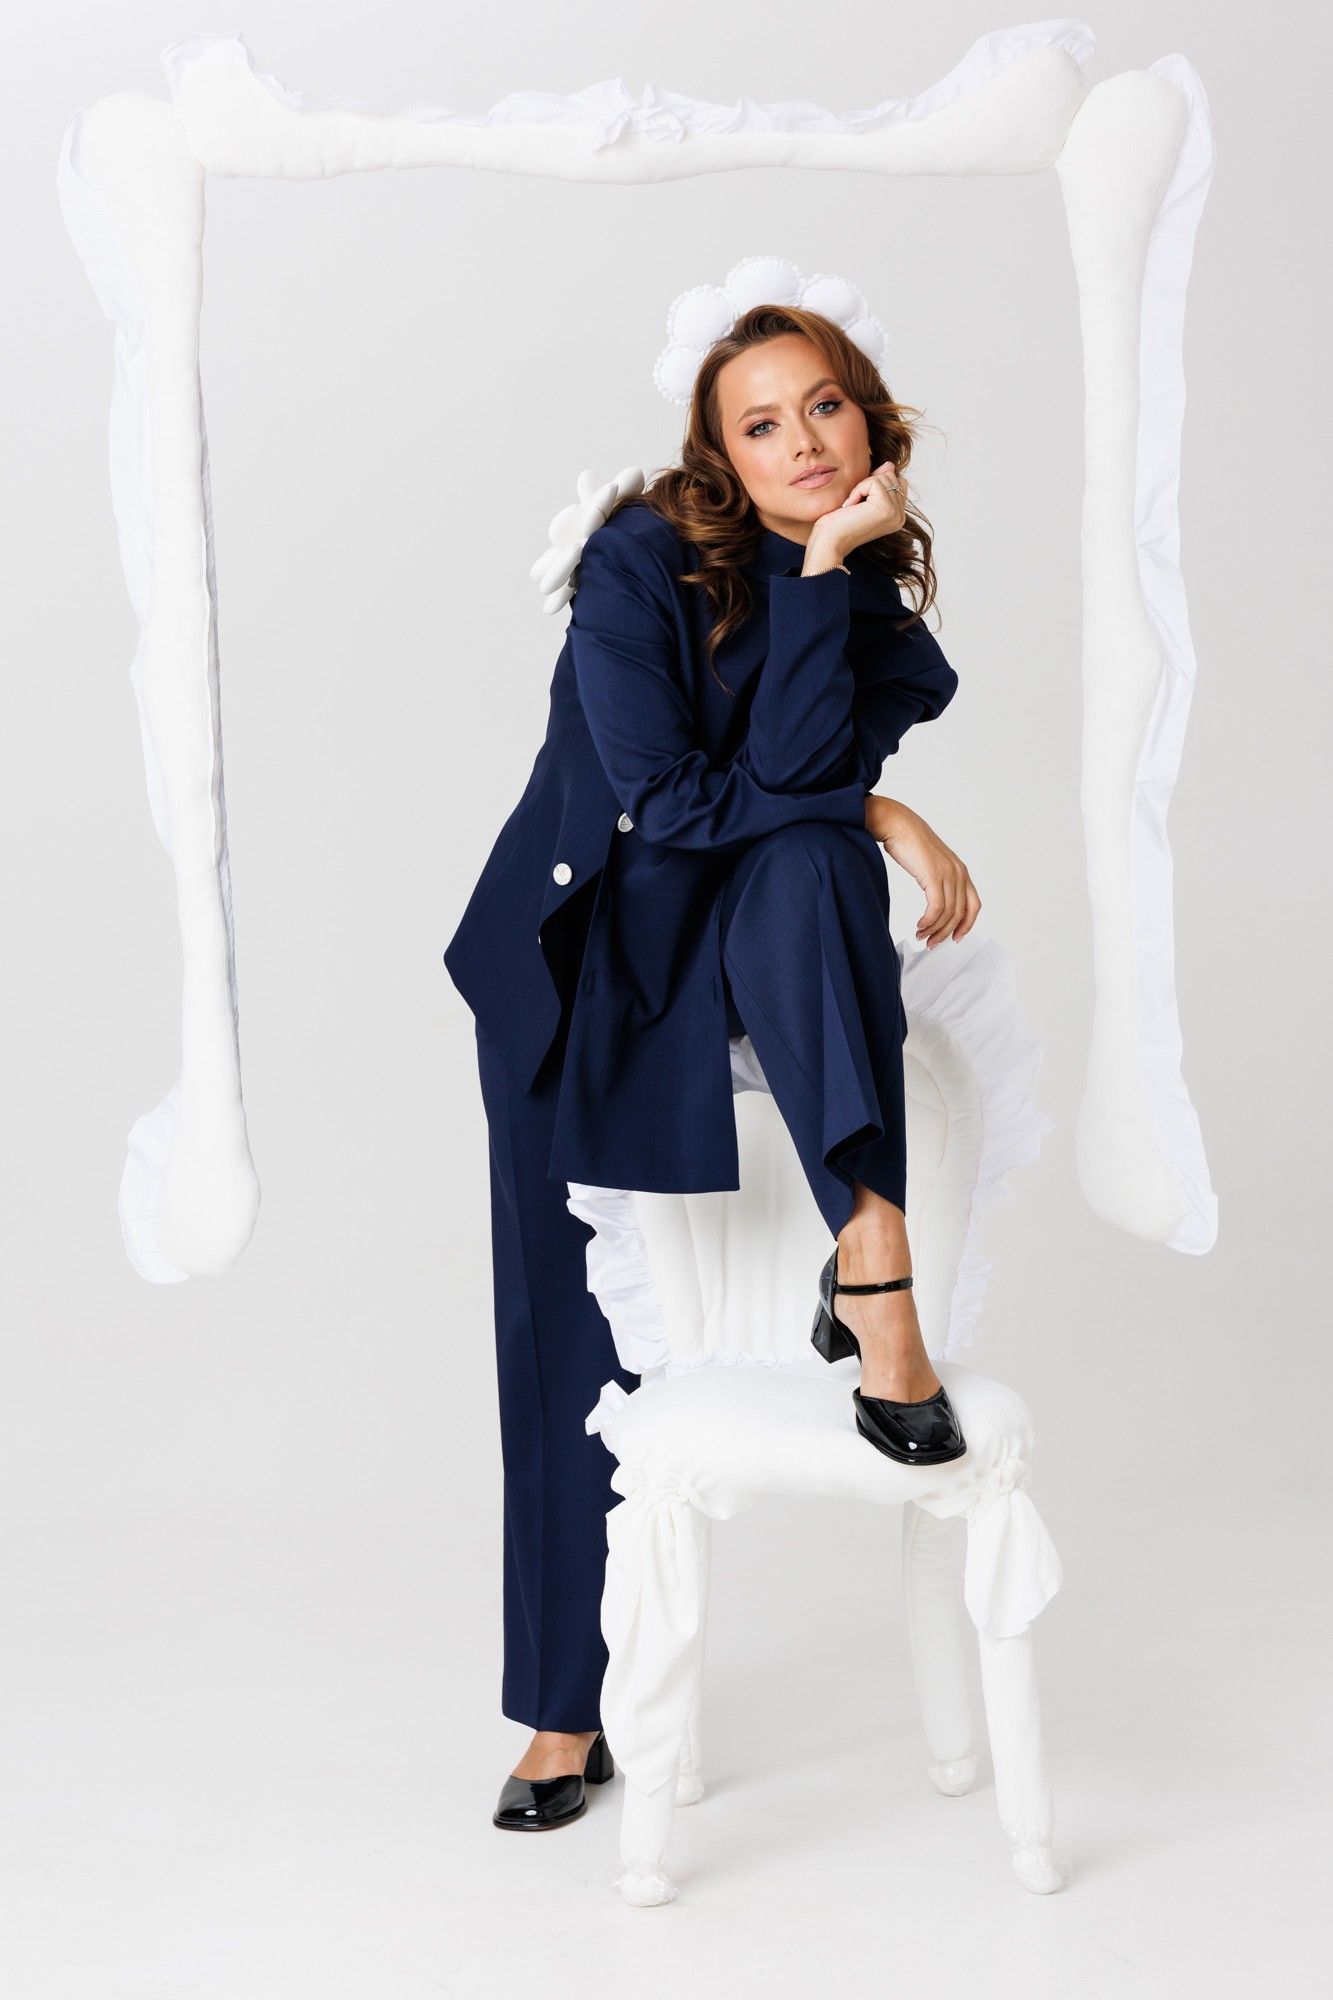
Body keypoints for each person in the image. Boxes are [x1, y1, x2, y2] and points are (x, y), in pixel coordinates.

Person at [442, 303, 981, 1830]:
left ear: (870, 422)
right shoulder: (635, 563)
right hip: (581, 966)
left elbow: (789, 785)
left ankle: (869, 1264)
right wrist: (875, 808)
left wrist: (825, 585)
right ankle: (564, 1712)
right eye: (760, 424)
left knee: (816, 867)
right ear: (717, 457)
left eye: (825, 408)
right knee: (563, 1346)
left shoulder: (868, 615)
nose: (801, 442)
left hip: (735, 940)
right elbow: (670, 804)